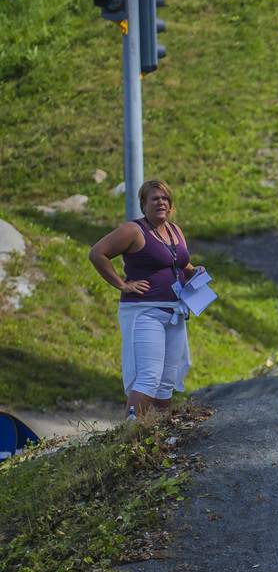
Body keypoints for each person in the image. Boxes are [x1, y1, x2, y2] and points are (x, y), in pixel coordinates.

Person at [88, 179, 203, 418]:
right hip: (145, 312)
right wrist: (122, 284)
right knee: (148, 377)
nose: (161, 202)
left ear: (170, 205)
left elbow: (179, 262)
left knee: (166, 380)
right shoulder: (133, 230)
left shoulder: (175, 230)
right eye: (155, 198)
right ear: (143, 204)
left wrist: (193, 272)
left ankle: (157, 436)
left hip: (175, 312)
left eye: (165, 198)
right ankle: (131, 434)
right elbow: (98, 253)